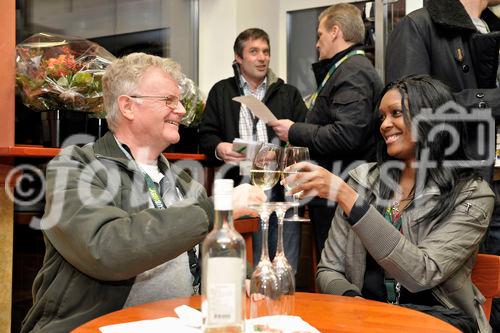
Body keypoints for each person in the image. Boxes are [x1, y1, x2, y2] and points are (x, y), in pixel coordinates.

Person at [21, 53, 264, 333]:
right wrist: (215, 209)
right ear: (128, 106)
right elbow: (107, 250)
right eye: (169, 101)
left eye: (180, 101)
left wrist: (244, 277)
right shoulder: (75, 166)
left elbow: (213, 248)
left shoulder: (184, 182)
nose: (183, 111)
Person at [284, 75, 494, 333]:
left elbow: (421, 272)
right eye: (382, 117)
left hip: (437, 325)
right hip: (365, 324)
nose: (385, 124)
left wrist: (350, 199)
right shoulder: (362, 180)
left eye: (396, 113)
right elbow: (329, 270)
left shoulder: (472, 195)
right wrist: (359, 307)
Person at [385, 1, 500, 328]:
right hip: (435, 197)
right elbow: (406, 106)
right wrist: (490, 101)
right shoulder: (420, 25)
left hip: (482, 185)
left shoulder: (490, 28)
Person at [269, 3, 383, 259]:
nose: (317, 44)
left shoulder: (352, 73)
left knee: (336, 268)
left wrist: (294, 131)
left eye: (319, 35)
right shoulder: (349, 69)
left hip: (342, 189)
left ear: (335, 31)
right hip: (337, 188)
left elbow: (346, 135)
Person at [199, 28, 307, 272]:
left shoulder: (288, 94)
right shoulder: (221, 91)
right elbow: (205, 136)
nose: (262, 58)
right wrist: (220, 147)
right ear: (238, 58)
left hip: (282, 188)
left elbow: (305, 136)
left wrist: (281, 152)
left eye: (266, 52)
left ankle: (281, 297)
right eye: (254, 51)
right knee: (245, 263)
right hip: (238, 186)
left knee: (283, 262)